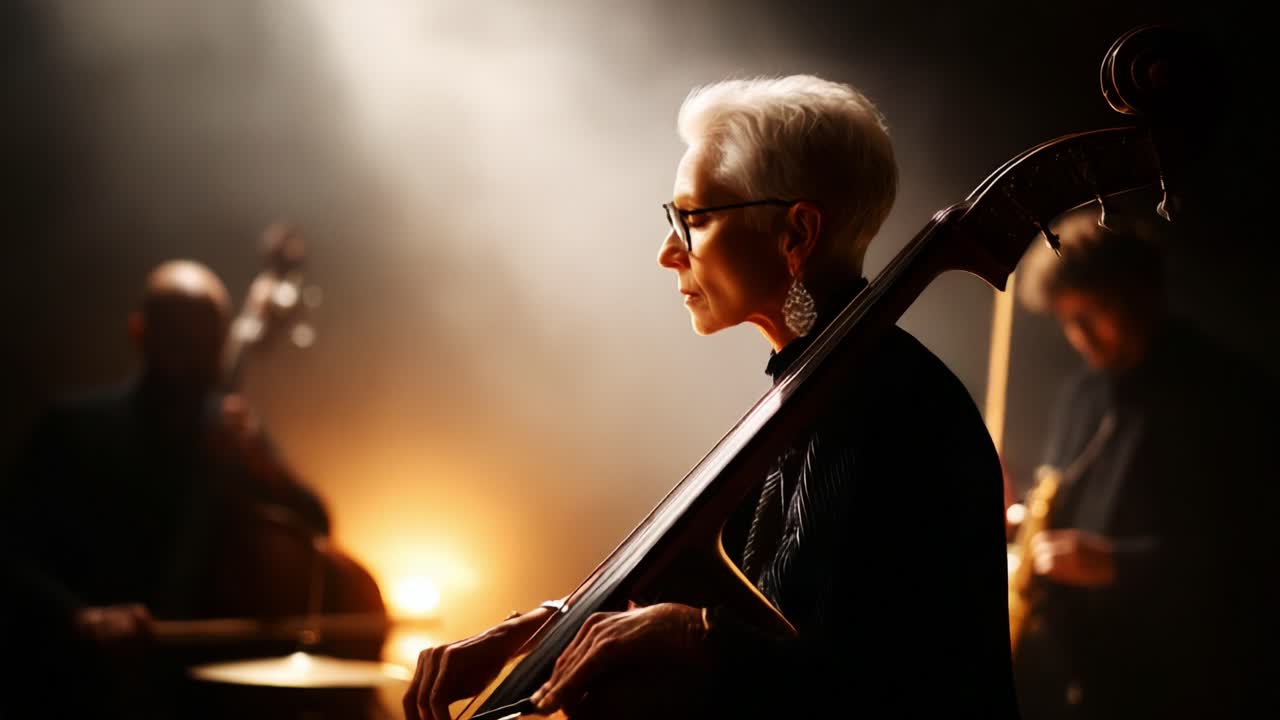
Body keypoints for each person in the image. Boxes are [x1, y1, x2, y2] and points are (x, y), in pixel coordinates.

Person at [403, 75, 1017, 720]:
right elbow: (730, 600)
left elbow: (867, 684)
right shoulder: (813, 390)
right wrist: (544, 629)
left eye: (693, 219)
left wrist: (693, 634)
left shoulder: (888, 407)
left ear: (796, 234)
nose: (669, 252)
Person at [2, 260, 339, 719]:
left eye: (208, 341)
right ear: (141, 333)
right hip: (77, 687)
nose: (196, 358)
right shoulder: (73, 428)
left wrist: (267, 467)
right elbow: (11, 552)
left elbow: (317, 526)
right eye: (181, 338)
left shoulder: (233, 441)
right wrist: (78, 617)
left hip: (206, 698)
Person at [1009, 215, 1276, 719]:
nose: (1078, 335)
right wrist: (1026, 519)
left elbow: (1250, 557)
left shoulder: (1230, 395)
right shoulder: (1081, 395)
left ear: (1140, 292)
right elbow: (1060, 492)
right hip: (1093, 677)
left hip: (1193, 683)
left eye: (1091, 312)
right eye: (1067, 319)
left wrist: (1116, 564)